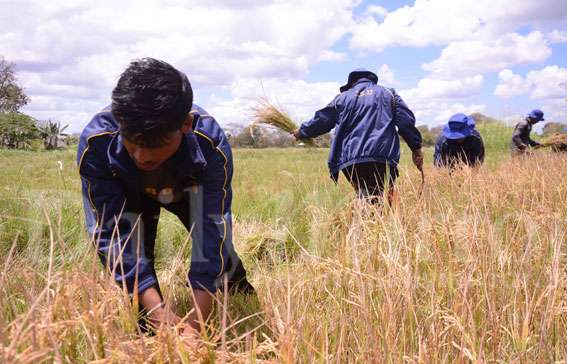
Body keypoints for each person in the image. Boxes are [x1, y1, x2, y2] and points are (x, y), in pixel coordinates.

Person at [77, 58, 253, 334]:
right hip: (130, 190)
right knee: (136, 253)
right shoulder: (96, 143)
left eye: (156, 145)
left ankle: (240, 288)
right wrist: (159, 314)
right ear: (120, 122)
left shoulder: (210, 146)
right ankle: (152, 323)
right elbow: (114, 236)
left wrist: (197, 327)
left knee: (221, 252)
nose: (142, 157)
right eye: (132, 142)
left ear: (186, 124)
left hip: (186, 188)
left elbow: (211, 230)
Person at [292, 69, 423, 201]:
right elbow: (406, 122)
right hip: (382, 157)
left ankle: (367, 219)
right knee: (376, 200)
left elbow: (322, 120)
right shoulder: (389, 94)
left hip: (351, 161)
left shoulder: (342, 98)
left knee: (370, 197)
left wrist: (302, 131)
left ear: (352, 82)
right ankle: (368, 220)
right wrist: (416, 148)